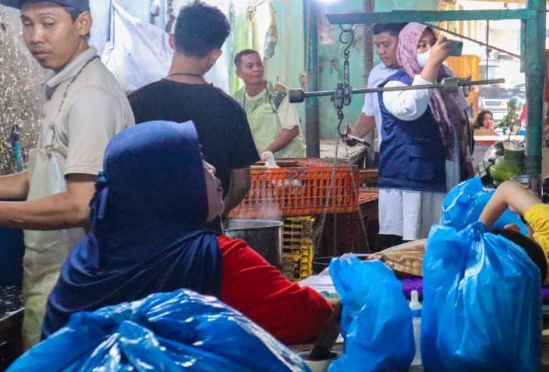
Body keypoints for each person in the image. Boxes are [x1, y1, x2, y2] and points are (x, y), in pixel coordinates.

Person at [41, 121, 335, 345]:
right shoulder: (217, 259)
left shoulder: (85, 259)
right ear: (169, 184)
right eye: (197, 160)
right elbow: (310, 318)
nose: (210, 167)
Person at [0, 0, 135, 348]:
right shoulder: (66, 85)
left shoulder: (90, 95)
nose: (34, 37)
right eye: (27, 24)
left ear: (82, 23)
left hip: (74, 286)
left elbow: (80, 204)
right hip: (53, 277)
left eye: (48, 23)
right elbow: (42, 177)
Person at [129, 1, 258, 222]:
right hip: (205, 238)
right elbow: (242, 183)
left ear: (172, 41)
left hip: (147, 235)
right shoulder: (230, 109)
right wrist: (218, 213)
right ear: (215, 54)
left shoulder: (135, 102)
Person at [346, 22, 471, 242]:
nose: (430, 51)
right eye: (421, 45)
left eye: (433, 44)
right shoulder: (392, 84)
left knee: (437, 240)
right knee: (410, 240)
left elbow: (458, 124)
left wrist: (465, 161)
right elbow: (412, 108)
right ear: (406, 49)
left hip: (440, 175)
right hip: (410, 181)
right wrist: (431, 65)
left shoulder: (444, 79)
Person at [233, 49, 306, 159]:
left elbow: (291, 129)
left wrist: (264, 155)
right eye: (250, 66)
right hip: (261, 161)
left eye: (259, 64)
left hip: (288, 160)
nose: (256, 69)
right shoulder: (237, 98)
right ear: (238, 73)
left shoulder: (278, 92)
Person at [348, 22, 406, 152]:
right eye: (377, 46)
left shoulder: (424, 73)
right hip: (388, 152)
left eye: (386, 45)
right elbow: (370, 113)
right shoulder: (377, 74)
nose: (381, 51)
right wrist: (355, 133)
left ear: (404, 41)